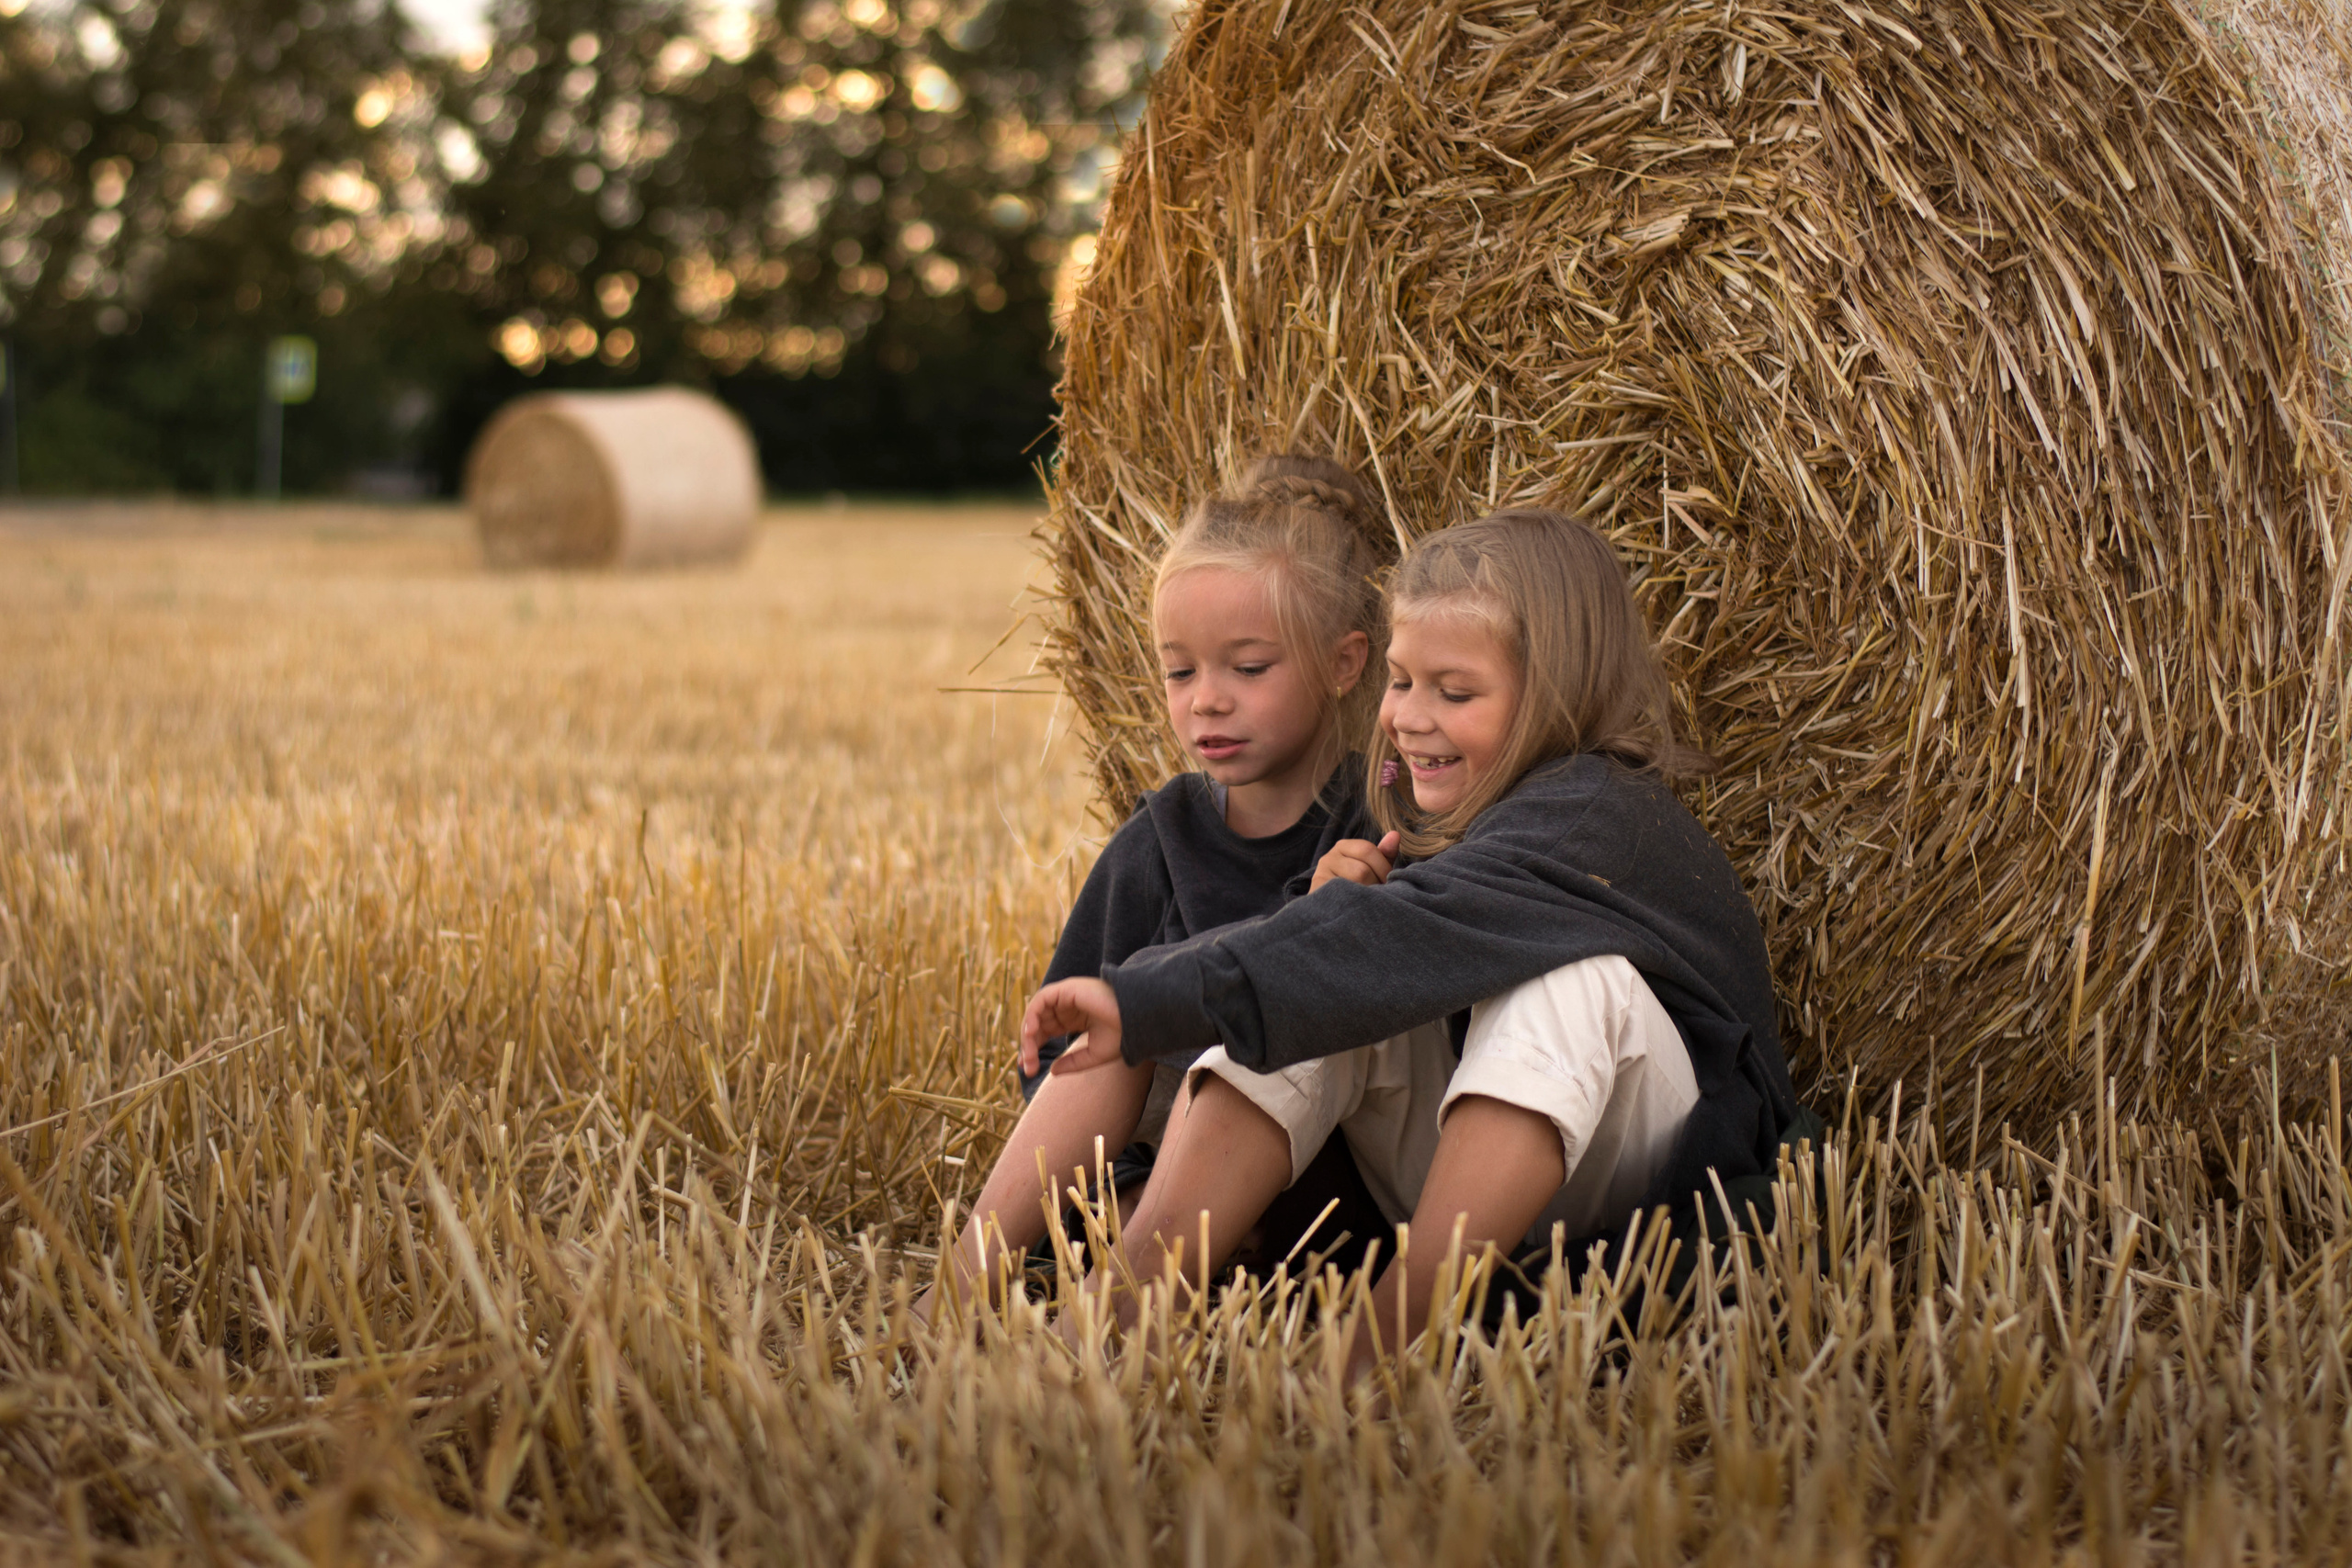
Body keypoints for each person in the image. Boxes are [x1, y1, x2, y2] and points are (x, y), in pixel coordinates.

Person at [1022, 508, 1817, 1371]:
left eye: (1456, 690)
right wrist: (1324, 909)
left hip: (1646, 1184)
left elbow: (1416, 935)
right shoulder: (1415, 817)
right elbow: (1350, 963)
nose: (1407, 716)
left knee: (1570, 981)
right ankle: (1123, 1310)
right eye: (1401, 682)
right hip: (1468, 1187)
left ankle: (1383, 1344)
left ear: (1554, 691)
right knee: (1320, 988)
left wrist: (1150, 999)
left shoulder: (1593, 810)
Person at [918, 455, 1397, 1322]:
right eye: (1180, 672)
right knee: (1124, 1014)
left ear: (1345, 662)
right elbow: (1061, 1050)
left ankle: (1110, 1323)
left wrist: (1346, 908)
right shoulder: (1160, 836)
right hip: (1151, 1173)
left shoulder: (1376, 826)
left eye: (1247, 668)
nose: (1205, 701)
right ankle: (959, 1286)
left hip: (1315, 1181)